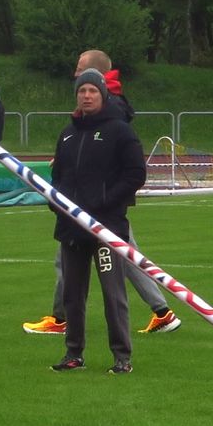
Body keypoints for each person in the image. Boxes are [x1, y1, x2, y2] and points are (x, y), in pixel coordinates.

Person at [23, 49, 180, 338]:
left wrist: (102, 194)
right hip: (93, 200)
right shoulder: (107, 103)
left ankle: (62, 319)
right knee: (127, 256)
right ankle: (161, 311)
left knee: (83, 258)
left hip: (100, 204)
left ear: (95, 74)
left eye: (79, 68)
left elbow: (115, 154)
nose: (75, 73)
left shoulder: (111, 107)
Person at [48, 68, 147, 374]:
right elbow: (57, 176)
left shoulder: (120, 131)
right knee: (72, 296)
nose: (87, 96)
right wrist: (56, 203)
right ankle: (73, 353)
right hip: (71, 228)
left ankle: (122, 357)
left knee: (113, 294)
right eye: (82, 91)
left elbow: (135, 175)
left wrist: (103, 201)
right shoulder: (67, 134)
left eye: (92, 91)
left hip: (106, 228)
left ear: (102, 95)